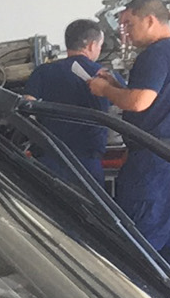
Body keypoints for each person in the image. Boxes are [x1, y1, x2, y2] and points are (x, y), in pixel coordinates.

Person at [91, 0, 170, 289]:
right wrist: (118, 86)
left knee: (140, 239)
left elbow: (139, 102)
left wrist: (104, 90)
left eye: (128, 23)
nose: (124, 31)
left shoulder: (155, 53)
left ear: (150, 19)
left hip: (154, 159)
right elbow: (153, 100)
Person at [19, 18, 112, 184]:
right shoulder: (104, 75)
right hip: (87, 164)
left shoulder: (43, 72)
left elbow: (26, 107)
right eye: (99, 45)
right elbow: (127, 103)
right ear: (91, 45)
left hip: (49, 159)